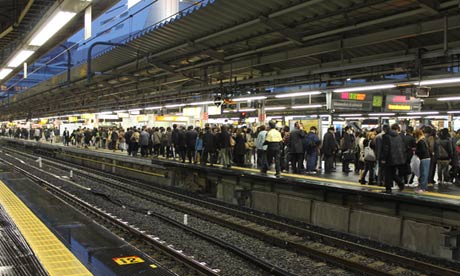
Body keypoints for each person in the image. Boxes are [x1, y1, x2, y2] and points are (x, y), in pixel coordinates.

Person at [380, 123, 406, 193]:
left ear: (385, 130)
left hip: (389, 158)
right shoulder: (398, 136)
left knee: (387, 174)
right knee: (392, 173)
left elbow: (386, 149)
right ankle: (401, 184)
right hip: (397, 158)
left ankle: (388, 189)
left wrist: (383, 159)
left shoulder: (386, 136)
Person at [414, 128, 430, 193]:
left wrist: (416, 151)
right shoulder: (424, 139)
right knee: (425, 173)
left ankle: (422, 188)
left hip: (424, 158)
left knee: (423, 173)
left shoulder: (420, 141)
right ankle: (424, 188)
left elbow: (422, 150)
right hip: (427, 158)